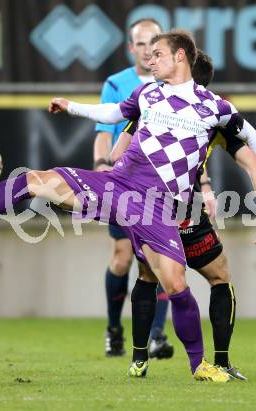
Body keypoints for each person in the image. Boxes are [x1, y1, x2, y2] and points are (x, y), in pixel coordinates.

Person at [0, 30, 256, 382]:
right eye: (148, 56)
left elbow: (251, 157)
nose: (150, 62)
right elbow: (112, 114)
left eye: (158, 55)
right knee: (36, 180)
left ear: (180, 56)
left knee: (176, 284)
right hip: (117, 186)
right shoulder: (148, 93)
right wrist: (71, 106)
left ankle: (200, 366)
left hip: (158, 206)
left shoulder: (216, 108)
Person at [110, 50, 256, 380]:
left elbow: (116, 154)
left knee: (148, 276)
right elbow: (252, 160)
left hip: (148, 206)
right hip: (186, 210)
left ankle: (138, 359)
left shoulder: (152, 110)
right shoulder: (212, 116)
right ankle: (220, 361)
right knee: (219, 277)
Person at [93, 18, 173, 359]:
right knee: (123, 258)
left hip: (163, 184)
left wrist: (204, 182)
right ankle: (114, 329)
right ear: (131, 48)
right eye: (140, 43)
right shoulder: (117, 83)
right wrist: (100, 166)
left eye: (153, 42)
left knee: (161, 260)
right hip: (125, 183)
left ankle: (156, 336)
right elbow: (103, 130)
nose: (146, 49)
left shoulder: (176, 83)